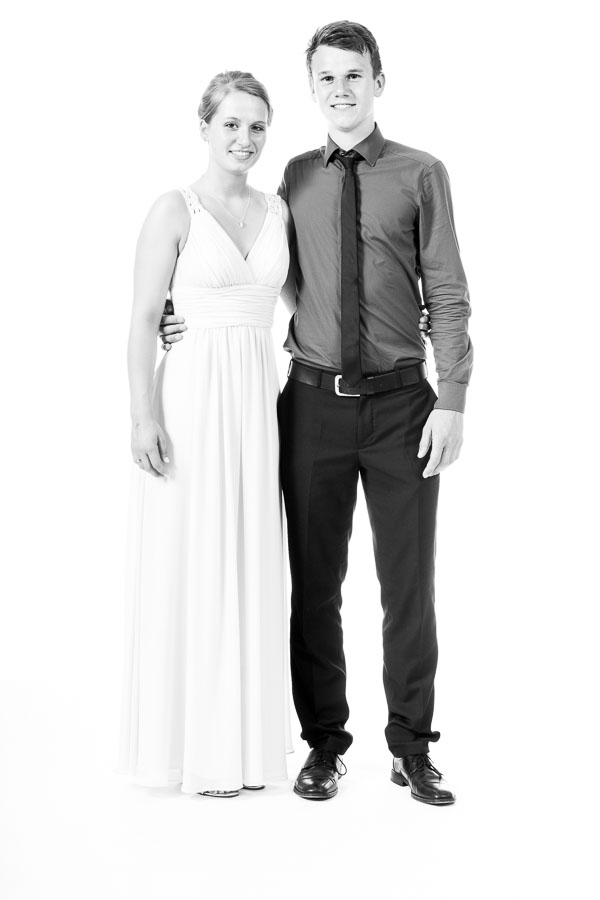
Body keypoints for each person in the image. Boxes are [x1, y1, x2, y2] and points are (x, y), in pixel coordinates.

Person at [161, 21, 468, 807]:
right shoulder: (293, 178)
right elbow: (258, 271)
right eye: (326, 77)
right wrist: (176, 309)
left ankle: (411, 747)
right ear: (313, 88)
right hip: (310, 405)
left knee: (409, 586)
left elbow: (448, 292)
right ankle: (324, 744)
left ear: (378, 82)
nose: (340, 90)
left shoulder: (422, 173)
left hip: (404, 408)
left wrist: (453, 400)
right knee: (314, 585)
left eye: (353, 75)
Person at [118, 71, 294, 797]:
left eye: (257, 126)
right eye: (231, 124)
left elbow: (303, 301)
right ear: (205, 127)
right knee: (191, 555)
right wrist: (142, 415)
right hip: (190, 399)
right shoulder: (174, 209)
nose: (245, 139)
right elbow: (141, 320)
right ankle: (194, 752)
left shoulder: (278, 210)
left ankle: (246, 750)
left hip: (257, 402)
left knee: (250, 555)